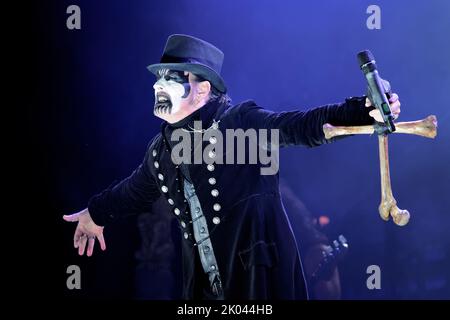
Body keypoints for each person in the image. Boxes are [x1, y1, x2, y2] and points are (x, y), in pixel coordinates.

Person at [63, 34, 401, 299]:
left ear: (202, 89)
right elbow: (133, 190)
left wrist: (362, 110)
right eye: (157, 78)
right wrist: (96, 213)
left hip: (258, 284)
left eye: (170, 77)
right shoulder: (161, 150)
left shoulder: (237, 123)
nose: (157, 85)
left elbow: (299, 125)